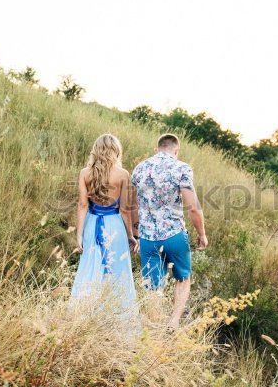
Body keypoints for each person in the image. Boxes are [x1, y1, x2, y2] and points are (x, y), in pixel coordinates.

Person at [131, 133, 208, 330]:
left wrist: (136, 234)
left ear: (157, 149)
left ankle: (154, 327)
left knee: (152, 287)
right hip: (173, 235)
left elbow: (131, 206)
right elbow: (193, 207)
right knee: (183, 278)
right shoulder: (181, 168)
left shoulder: (140, 168)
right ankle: (173, 323)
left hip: (147, 238)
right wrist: (202, 234)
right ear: (176, 150)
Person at [70, 134, 139, 326]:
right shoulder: (123, 174)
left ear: (96, 149)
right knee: (117, 269)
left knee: (90, 267)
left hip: (92, 224)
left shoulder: (85, 173)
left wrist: (79, 233)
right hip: (114, 226)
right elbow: (125, 209)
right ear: (116, 151)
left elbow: (82, 205)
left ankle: (83, 317)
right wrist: (131, 236)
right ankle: (116, 321)